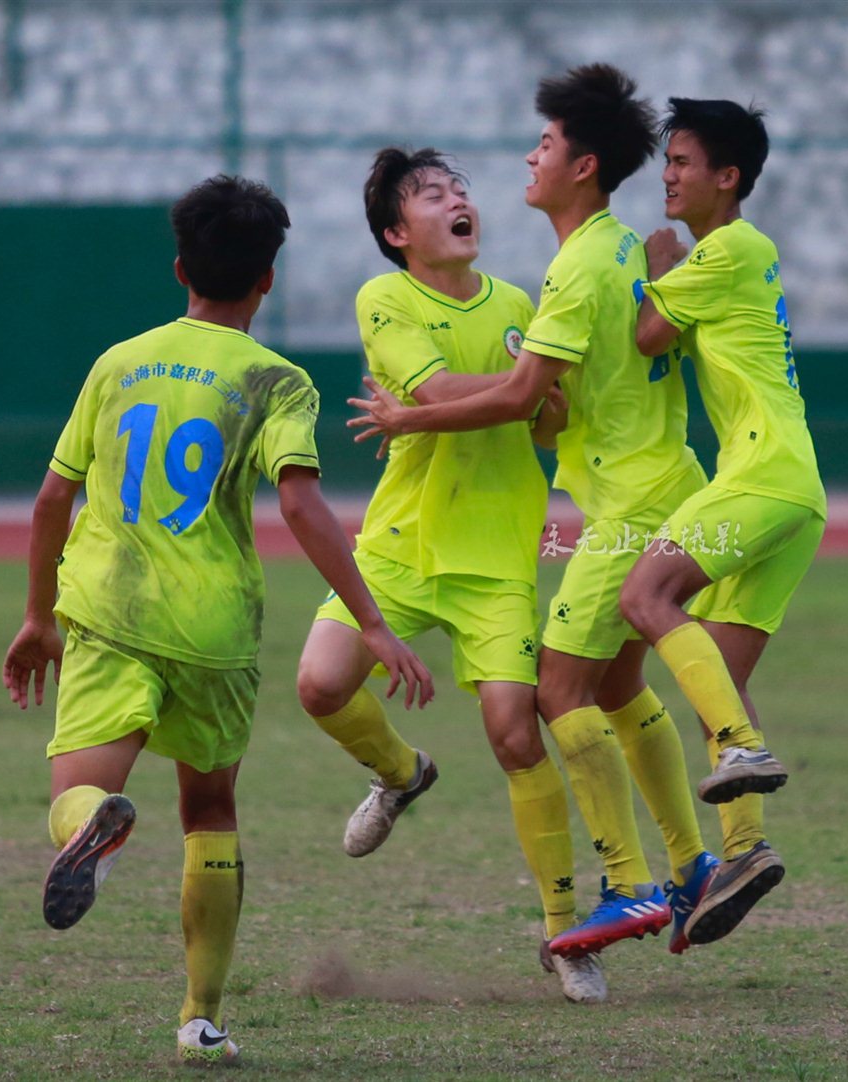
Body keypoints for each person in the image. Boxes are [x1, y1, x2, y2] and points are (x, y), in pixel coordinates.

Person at [0, 176, 433, 1063]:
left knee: (72, 792)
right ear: (267, 280)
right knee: (210, 809)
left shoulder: (119, 362)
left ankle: (95, 822)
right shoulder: (279, 380)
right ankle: (201, 1019)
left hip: (110, 609)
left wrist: (39, 615)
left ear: (178, 268)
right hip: (216, 628)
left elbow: (53, 497)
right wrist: (373, 622)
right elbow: (305, 508)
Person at [349, 65, 767, 961]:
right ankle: (695, 865)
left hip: (628, 503)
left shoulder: (575, 270)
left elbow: (521, 397)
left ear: (581, 166)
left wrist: (406, 415)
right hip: (666, 477)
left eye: (543, 145)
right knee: (616, 686)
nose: (528, 161)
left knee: (559, 692)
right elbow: (589, 378)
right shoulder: (620, 246)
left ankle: (628, 881)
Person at [292, 146, 604, 1003]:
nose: (457, 201)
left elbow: (546, 421)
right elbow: (434, 394)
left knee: (515, 735)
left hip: (498, 555)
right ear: (398, 232)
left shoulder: (517, 302)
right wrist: (527, 383)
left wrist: (539, 396)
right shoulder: (384, 297)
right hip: (400, 544)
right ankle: (402, 772)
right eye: (432, 195)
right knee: (318, 687)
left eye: (460, 190)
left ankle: (566, 933)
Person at [622, 97, 827, 947]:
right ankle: (744, 849)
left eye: (681, 162)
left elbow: (644, 335)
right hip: (795, 489)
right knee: (719, 680)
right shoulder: (741, 254)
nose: (666, 175)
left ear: (727, 178)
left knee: (645, 599)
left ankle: (744, 749)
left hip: (760, 472)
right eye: (665, 162)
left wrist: (656, 268)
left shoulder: (729, 247)